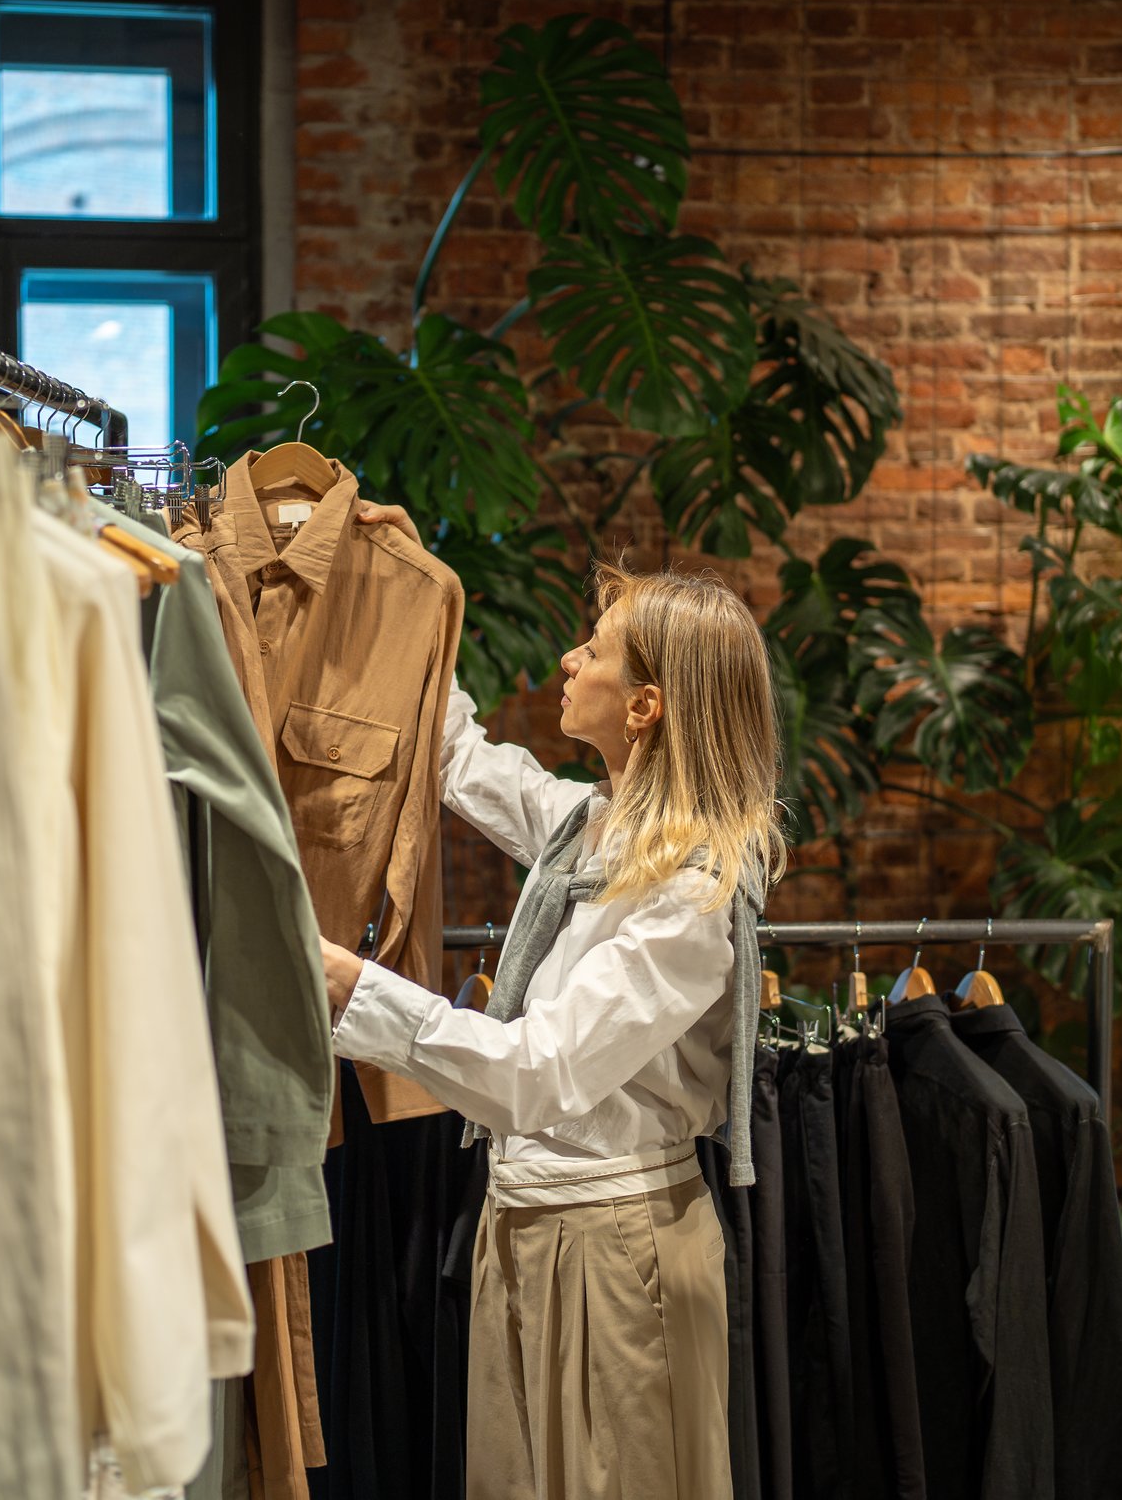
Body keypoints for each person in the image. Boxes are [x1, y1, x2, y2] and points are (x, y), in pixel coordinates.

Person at [323, 502, 784, 1500]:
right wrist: (406, 575)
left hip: (619, 1249)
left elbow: (539, 1075)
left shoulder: (692, 894)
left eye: (595, 650)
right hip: (531, 1225)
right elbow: (452, 756)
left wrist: (354, 988)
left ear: (646, 706)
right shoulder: (593, 831)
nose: (569, 662)